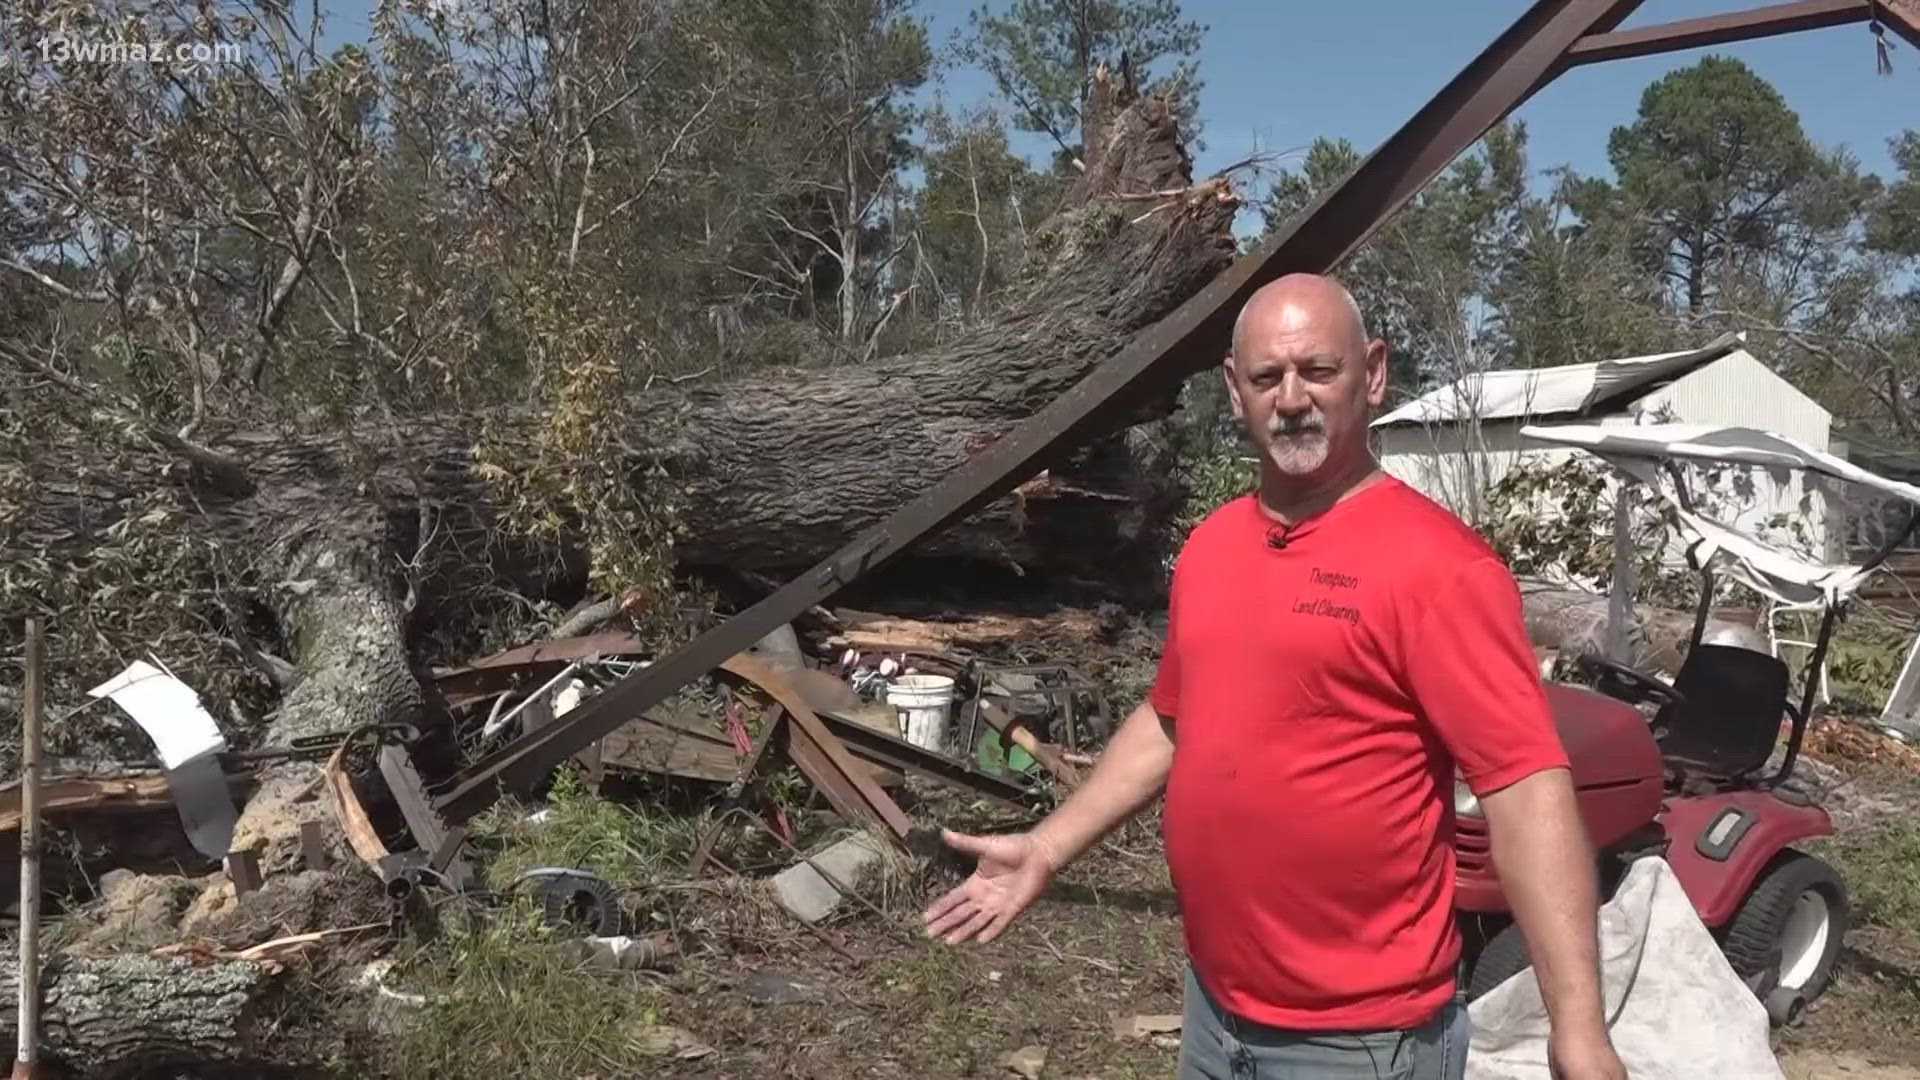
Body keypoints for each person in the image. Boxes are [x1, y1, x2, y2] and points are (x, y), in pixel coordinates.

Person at [922, 273, 1627, 1080]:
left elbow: (1526, 788)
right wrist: (1047, 846)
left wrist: (1578, 1027)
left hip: (1362, 1043)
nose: (1292, 398)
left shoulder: (1441, 569)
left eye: (1318, 371)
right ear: (1234, 391)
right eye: (1267, 377)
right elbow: (1170, 722)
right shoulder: (1213, 547)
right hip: (1214, 1017)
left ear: (1374, 373)